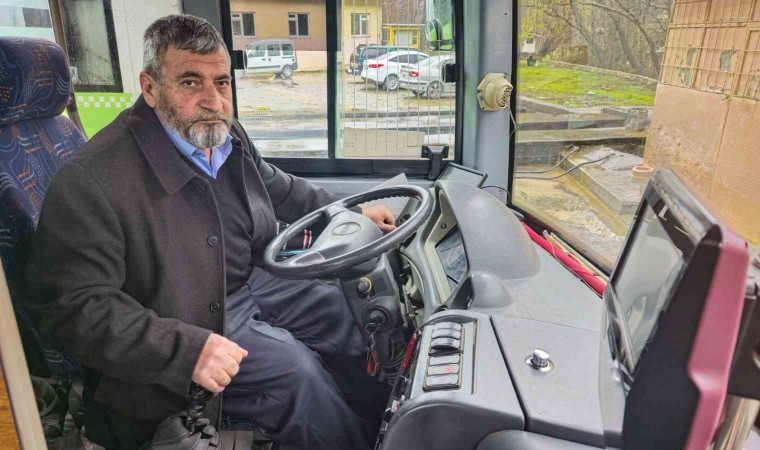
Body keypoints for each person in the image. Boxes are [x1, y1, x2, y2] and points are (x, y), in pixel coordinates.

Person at [28, 14, 395, 450]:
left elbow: (278, 187)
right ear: (150, 88)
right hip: (182, 315)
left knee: (347, 312)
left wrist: (348, 211)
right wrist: (185, 350)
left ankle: (386, 423)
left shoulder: (224, 135)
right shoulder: (92, 181)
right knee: (298, 374)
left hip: (249, 278)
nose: (213, 100)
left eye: (221, 82)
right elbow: (72, 308)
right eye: (190, 82)